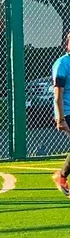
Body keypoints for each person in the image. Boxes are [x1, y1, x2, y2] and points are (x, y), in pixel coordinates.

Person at [52, 32, 70, 197]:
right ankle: (62, 176)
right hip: (67, 111)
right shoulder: (62, 64)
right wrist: (60, 118)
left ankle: (62, 176)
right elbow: (58, 94)